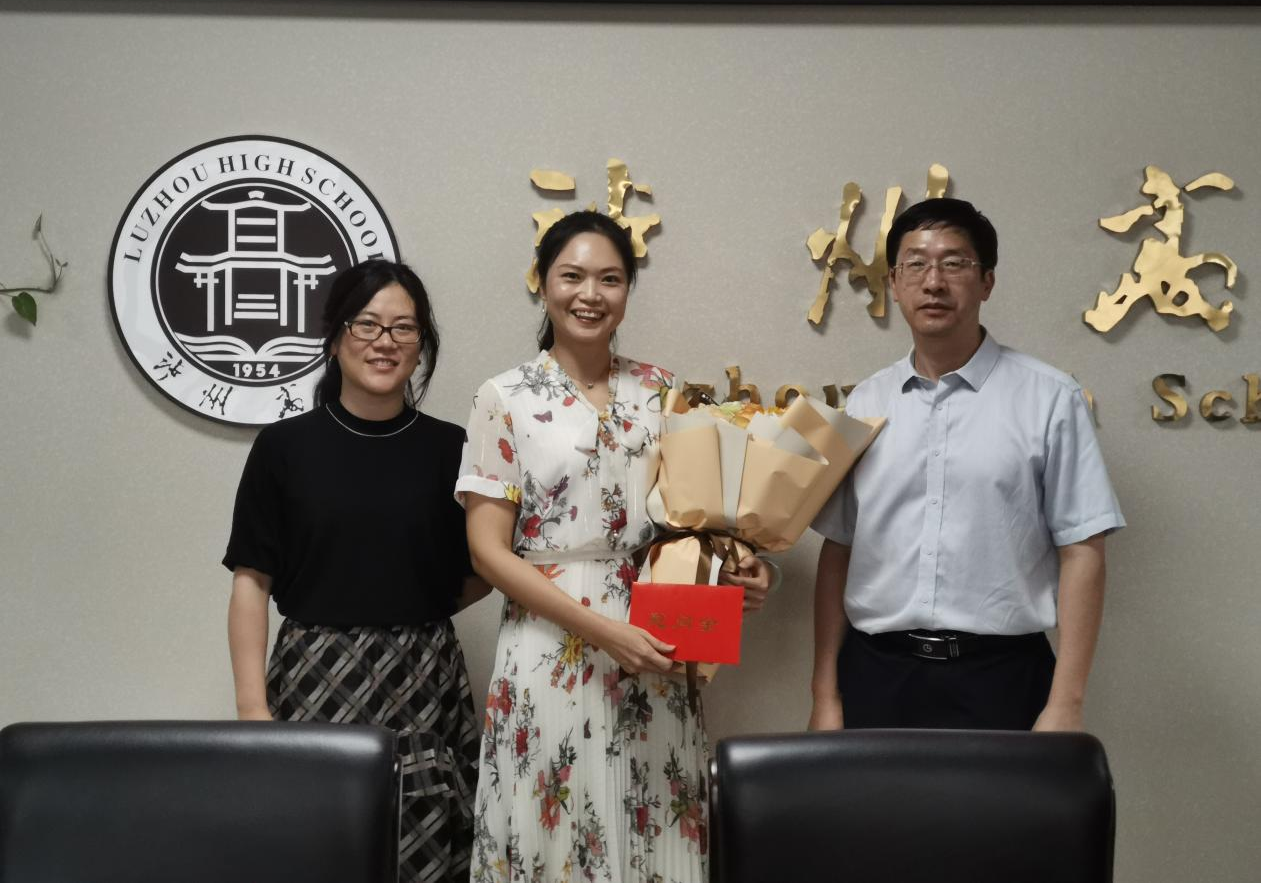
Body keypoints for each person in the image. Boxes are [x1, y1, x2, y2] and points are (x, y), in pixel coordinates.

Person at [457, 210, 771, 882]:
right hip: (547, 644)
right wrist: (604, 632)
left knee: (654, 814)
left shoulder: (661, 390)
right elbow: (488, 552)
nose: (589, 294)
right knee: (554, 827)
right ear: (542, 282)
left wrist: (740, 567)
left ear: (628, 289)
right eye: (571, 276)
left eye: (609, 279)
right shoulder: (503, 397)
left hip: (654, 637)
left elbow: (694, 520)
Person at [809, 198, 1125, 733]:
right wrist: (825, 693)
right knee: (872, 798)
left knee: (1010, 798)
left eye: (954, 263)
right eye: (915, 264)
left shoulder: (1049, 398)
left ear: (987, 282)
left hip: (1003, 677)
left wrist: (1066, 703)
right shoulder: (866, 401)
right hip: (876, 675)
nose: (933, 282)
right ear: (894, 282)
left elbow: (1082, 549)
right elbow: (839, 548)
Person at [224, 259, 489, 883]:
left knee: (425, 845)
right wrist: (252, 712)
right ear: (336, 337)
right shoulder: (283, 447)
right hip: (314, 672)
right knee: (312, 843)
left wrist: (416, 605)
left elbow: (490, 561)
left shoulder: (453, 449)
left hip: (422, 677)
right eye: (366, 324)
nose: (384, 341)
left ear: (421, 345)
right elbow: (250, 582)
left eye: (403, 328)